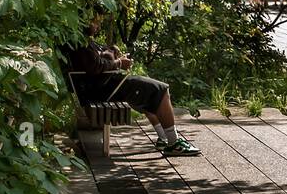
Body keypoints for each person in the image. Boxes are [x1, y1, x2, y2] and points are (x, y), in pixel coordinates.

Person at [58, 10, 200, 156]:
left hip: (102, 86)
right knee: (161, 90)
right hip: (104, 89)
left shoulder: (80, 40)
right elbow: (95, 66)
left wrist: (112, 53)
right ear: (85, 22)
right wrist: (119, 63)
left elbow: (95, 61)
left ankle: (164, 138)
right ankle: (174, 143)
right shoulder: (80, 42)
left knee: (149, 91)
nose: (98, 26)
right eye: (96, 22)